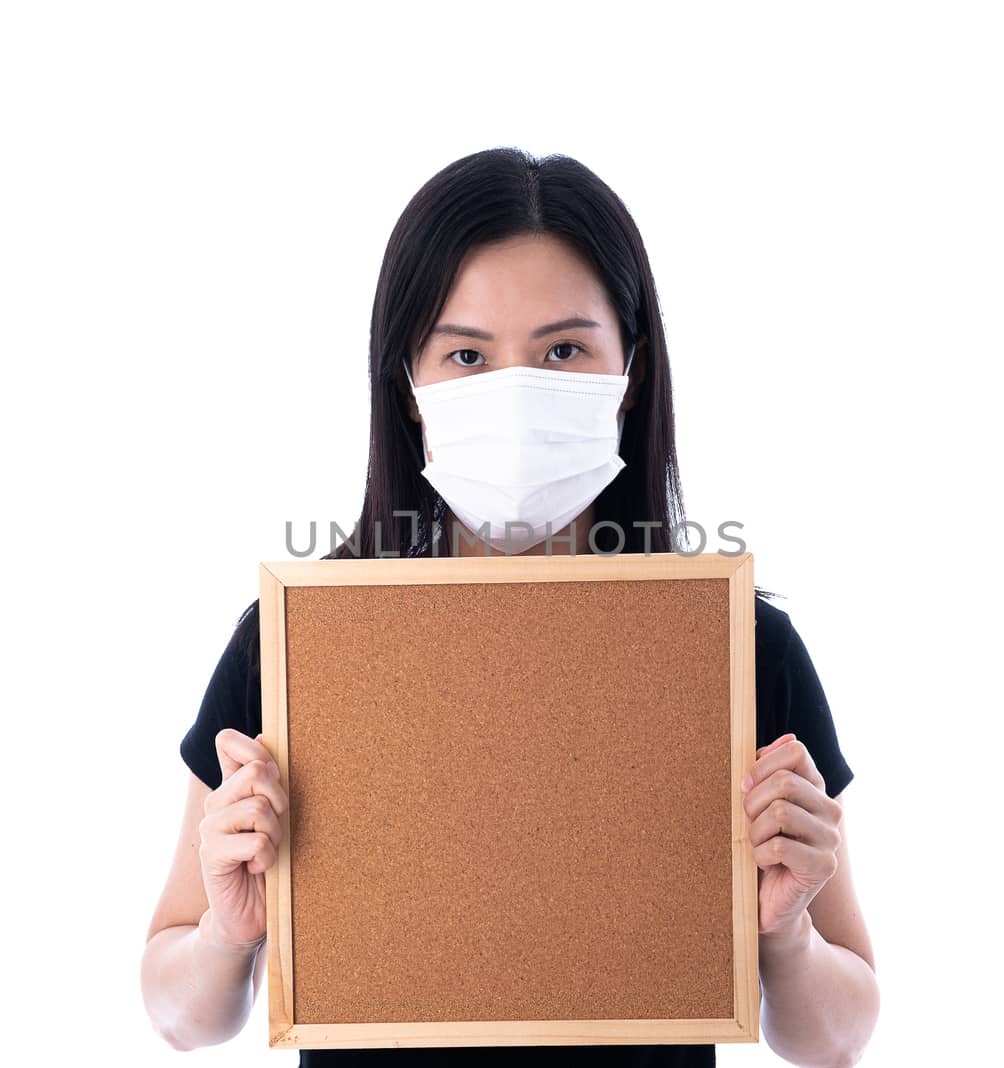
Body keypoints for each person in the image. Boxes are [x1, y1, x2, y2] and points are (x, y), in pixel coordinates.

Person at [141, 147, 880, 1066]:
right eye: (466, 354)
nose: (517, 391)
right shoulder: (299, 643)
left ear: (632, 369)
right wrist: (228, 928)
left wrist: (784, 930)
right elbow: (180, 1016)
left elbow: (839, 1040)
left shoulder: (738, 647)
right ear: (408, 385)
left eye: (564, 349)